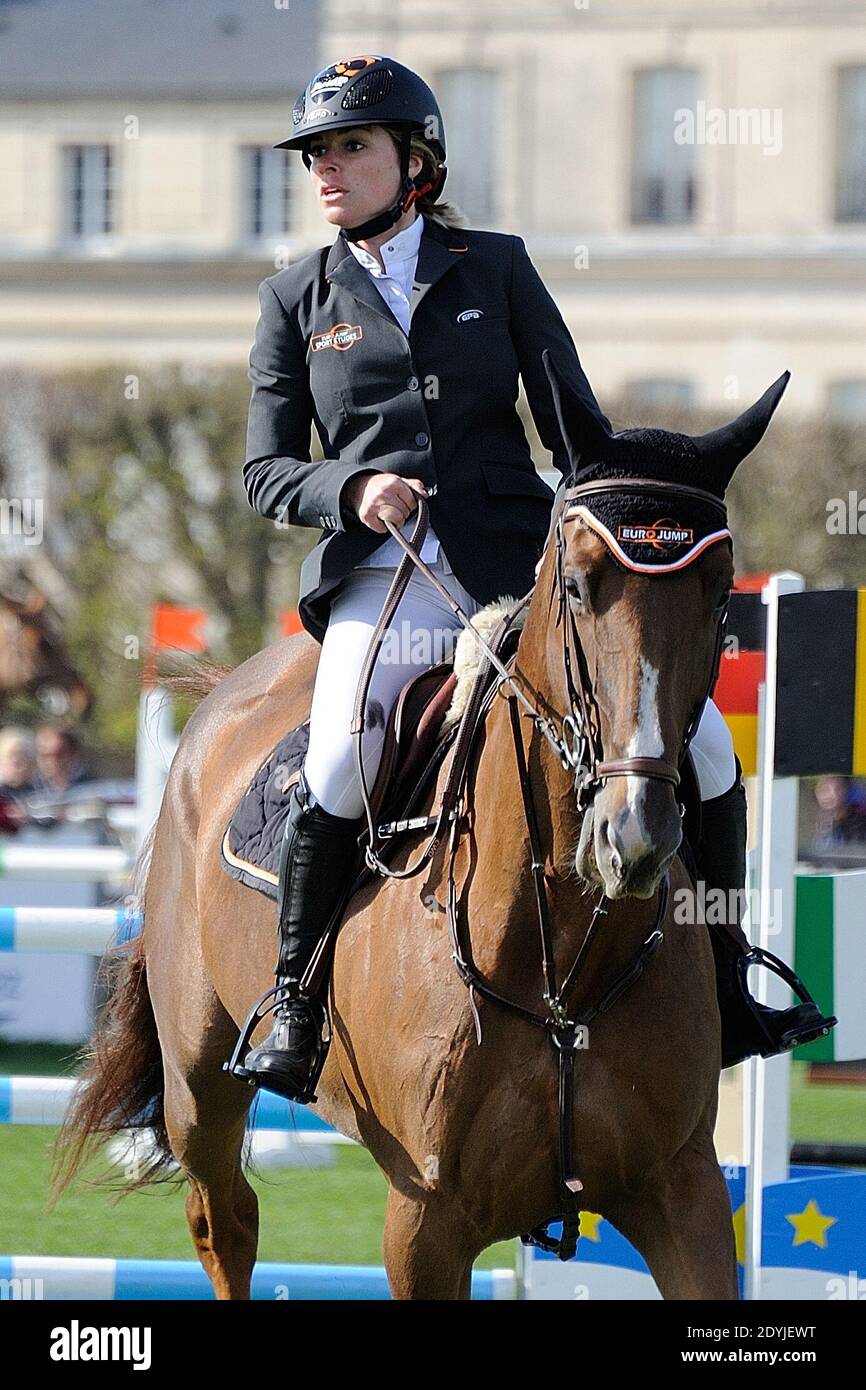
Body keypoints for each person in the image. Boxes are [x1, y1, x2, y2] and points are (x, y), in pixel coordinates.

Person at [236, 55, 831, 1100]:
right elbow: (264, 467)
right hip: (388, 573)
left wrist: (618, 516)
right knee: (336, 760)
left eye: (350, 148)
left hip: (520, 562)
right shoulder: (295, 297)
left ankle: (729, 977)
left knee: (701, 746)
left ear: (412, 161)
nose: (327, 170)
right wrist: (350, 486)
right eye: (317, 154)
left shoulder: (493, 266)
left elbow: (573, 423)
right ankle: (293, 993)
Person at [33, 723, 91, 796]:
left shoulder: (92, 788)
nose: (51, 760)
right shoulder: (29, 790)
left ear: (73, 755)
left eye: (58, 754)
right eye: (44, 754)